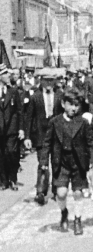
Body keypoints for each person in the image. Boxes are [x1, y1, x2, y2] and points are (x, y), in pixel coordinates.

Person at [40, 88, 93, 235]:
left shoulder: (83, 122)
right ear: (63, 104)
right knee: (61, 193)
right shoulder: (55, 122)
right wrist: (44, 161)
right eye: (71, 104)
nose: (74, 108)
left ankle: (77, 220)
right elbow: (47, 143)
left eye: (77, 105)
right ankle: (64, 212)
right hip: (61, 162)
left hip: (78, 163)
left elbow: (90, 143)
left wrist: (91, 162)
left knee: (78, 193)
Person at [24, 70, 63, 204]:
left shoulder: (60, 96)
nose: (48, 83)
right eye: (45, 80)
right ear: (41, 81)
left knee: (57, 163)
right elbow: (28, 118)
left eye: (51, 80)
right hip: (41, 135)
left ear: (55, 82)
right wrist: (27, 137)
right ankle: (41, 191)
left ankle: (57, 189)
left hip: (57, 136)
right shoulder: (35, 97)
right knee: (43, 164)